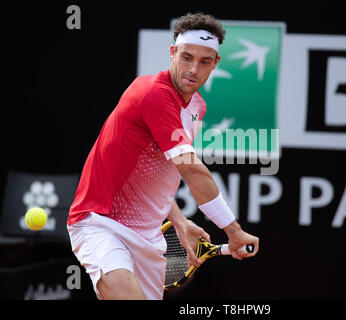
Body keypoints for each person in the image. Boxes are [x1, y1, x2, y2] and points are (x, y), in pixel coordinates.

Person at [66, 12, 259, 300]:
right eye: (186, 57)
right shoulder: (151, 93)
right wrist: (233, 230)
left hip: (149, 238)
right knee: (123, 291)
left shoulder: (196, 108)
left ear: (215, 63)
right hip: (100, 222)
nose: (193, 69)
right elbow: (193, 172)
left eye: (204, 61)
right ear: (173, 53)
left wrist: (179, 221)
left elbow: (162, 172)